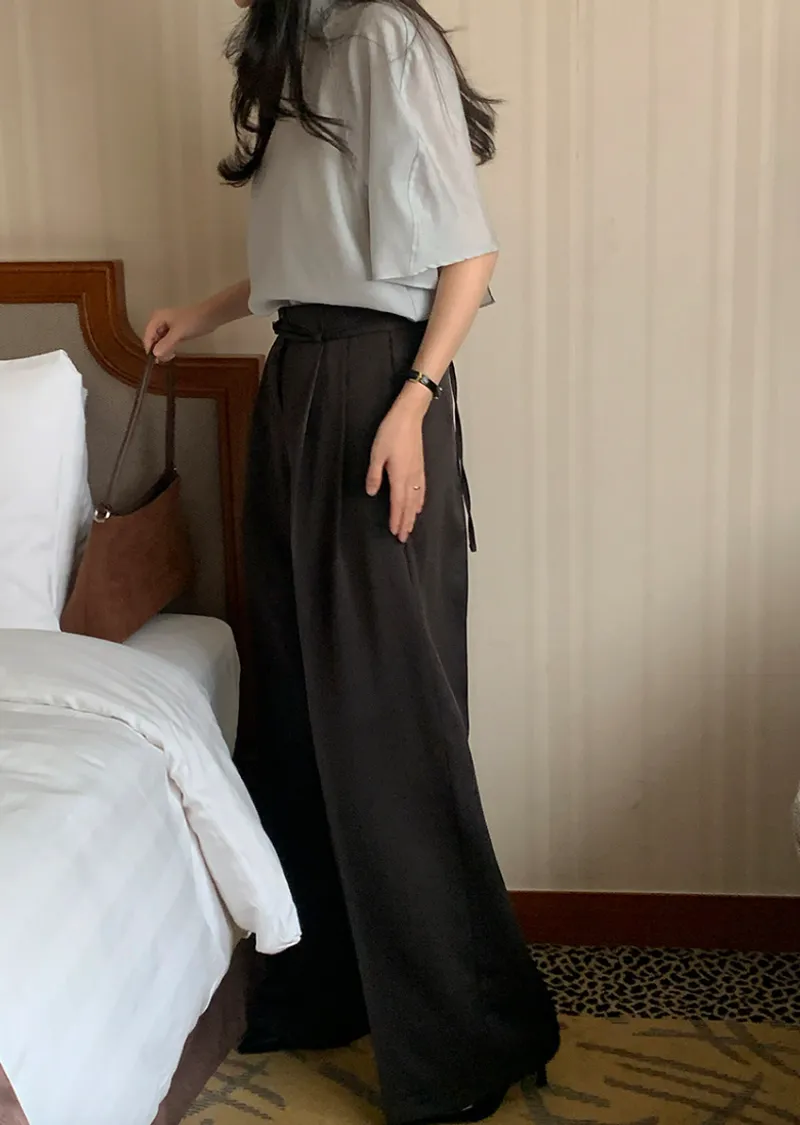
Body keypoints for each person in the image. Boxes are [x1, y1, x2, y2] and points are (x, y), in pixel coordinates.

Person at [144, 2, 560, 1122]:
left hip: (376, 386)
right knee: (294, 710)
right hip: (297, 375)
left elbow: (465, 253)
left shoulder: (380, 33)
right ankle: (326, 988)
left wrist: (412, 401)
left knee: (385, 717)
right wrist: (207, 311)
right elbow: (316, 255)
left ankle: (468, 1037)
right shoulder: (290, 41)